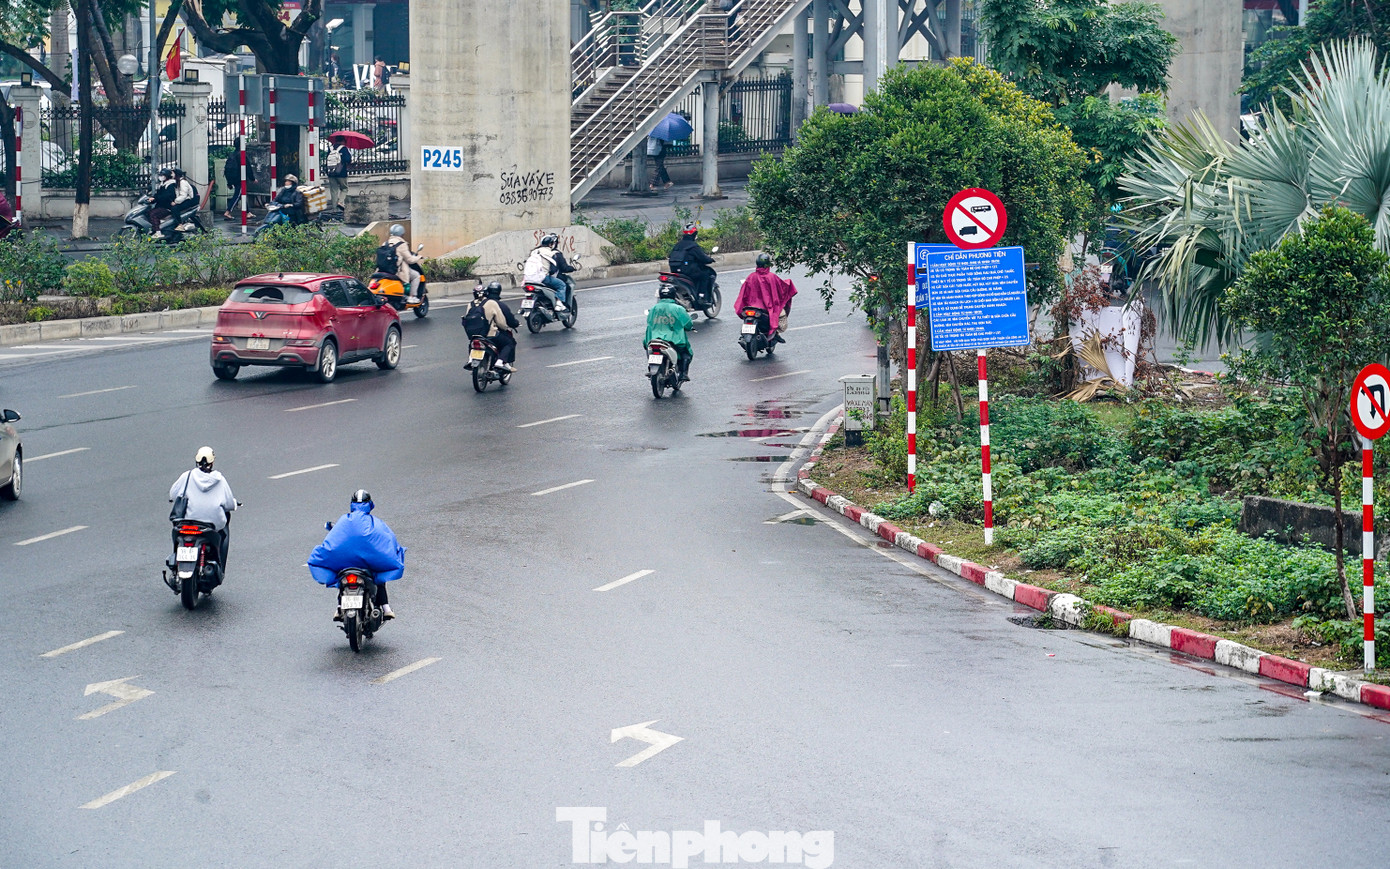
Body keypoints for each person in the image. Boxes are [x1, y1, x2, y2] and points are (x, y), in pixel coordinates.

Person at [309, 489, 404, 621]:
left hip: (346, 563)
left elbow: (334, 536)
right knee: (379, 576)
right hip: (368, 562)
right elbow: (388, 537)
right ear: (369, 504)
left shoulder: (345, 520)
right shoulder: (375, 522)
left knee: (340, 577)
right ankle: (386, 607)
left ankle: (339, 607)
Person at [167, 446, 237, 575]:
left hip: (186, 522)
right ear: (212, 462)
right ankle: (219, 567)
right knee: (224, 530)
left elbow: (173, 495)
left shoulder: (187, 476)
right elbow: (229, 504)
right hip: (210, 526)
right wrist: (235, 503)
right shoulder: (220, 480)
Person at [734, 253, 797, 343]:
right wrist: (789, 283)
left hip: (751, 307)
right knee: (782, 314)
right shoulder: (771, 277)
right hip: (767, 309)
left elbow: (743, 293)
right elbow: (782, 287)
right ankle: (776, 333)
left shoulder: (751, 277)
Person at [645, 282, 695, 381]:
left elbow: (649, 323)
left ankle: (651, 367)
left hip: (653, 339)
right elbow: (688, 324)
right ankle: (683, 374)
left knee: (647, 348)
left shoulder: (654, 308)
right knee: (686, 353)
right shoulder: (678, 309)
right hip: (673, 340)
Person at [668, 223, 717, 303]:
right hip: (687, 271)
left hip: (674, 270)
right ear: (694, 234)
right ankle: (702, 297)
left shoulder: (678, 245)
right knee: (706, 275)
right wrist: (710, 260)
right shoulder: (693, 246)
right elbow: (703, 258)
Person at [522, 233, 571, 311]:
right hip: (543, 278)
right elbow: (553, 270)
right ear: (551, 244)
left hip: (528, 279)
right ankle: (559, 303)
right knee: (561, 285)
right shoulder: (551, 253)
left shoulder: (534, 252)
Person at [385, 223, 424, 302]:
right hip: (398, 270)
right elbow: (409, 260)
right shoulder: (401, 244)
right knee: (416, 275)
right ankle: (412, 296)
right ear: (401, 234)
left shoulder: (386, 243)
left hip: (384, 269)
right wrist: (418, 257)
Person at [222, 137, 255, 221]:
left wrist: (229, 182)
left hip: (233, 179)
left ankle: (248, 212)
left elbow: (228, 169)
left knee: (242, 194)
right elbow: (248, 168)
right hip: (240, 179)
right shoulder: (241, 155)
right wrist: (252, 178)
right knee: (237, 195)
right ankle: (228, 211)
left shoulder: (232, 155)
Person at [148, 168, 178, 235]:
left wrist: (156, 199)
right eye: (161, 175)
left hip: (167, 207)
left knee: (153, 214)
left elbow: (166, 197)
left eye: (163, 175)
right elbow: (158, 194)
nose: (161, 176)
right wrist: (152, 198)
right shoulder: (162, 184)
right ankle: (153, 229)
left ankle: (158, 232)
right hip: (161, 206)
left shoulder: (170, 185)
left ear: (167, 176)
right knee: (148, 212)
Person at [325, 137, 351, 211]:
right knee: (344, 188)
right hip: (341, 173)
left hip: (331, 173)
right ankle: (340, 202)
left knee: (333, 191)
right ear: (343, 141)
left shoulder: (330, 149)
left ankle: (334, 209)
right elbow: (348, 159)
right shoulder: (344, 149)